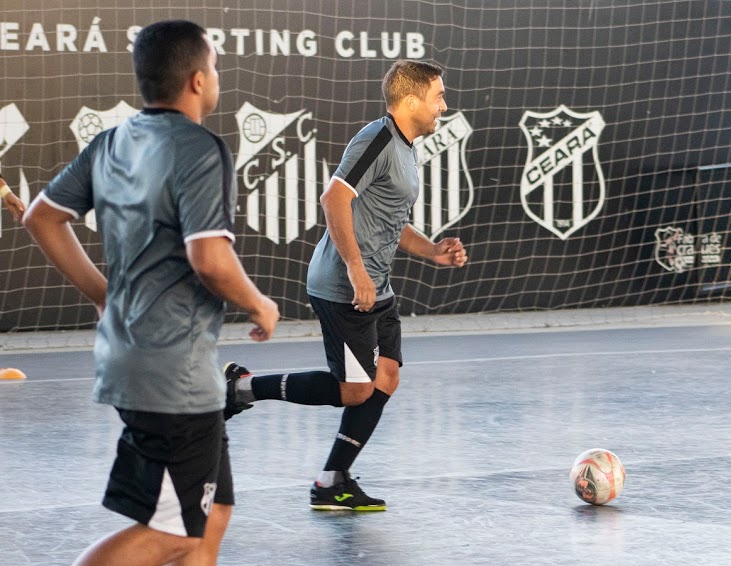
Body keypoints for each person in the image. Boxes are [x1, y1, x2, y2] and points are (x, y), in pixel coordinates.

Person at [23, 20, 279, 566]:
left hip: (147, 362)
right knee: (176, 534)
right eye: (214, 66)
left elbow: (41, 218)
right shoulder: (200, 148)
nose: (217, 76)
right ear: (195, 80)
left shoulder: (112, 141)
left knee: (214, 514)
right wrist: (259, 302)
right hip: (172, 373)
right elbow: (209, 258)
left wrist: (103, 294)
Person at [224, 60, 467, 511]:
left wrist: (433, 250)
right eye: (438, 96)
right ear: (412, 100)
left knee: (387, 376)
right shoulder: (376, 138)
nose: (444, 106)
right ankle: (240, 388)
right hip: (344, 286)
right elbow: (334, 197)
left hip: (377, 285)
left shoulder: (406, 147)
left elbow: (390, 220)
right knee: (355, 390)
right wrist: (356, 269)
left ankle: (332, 480)